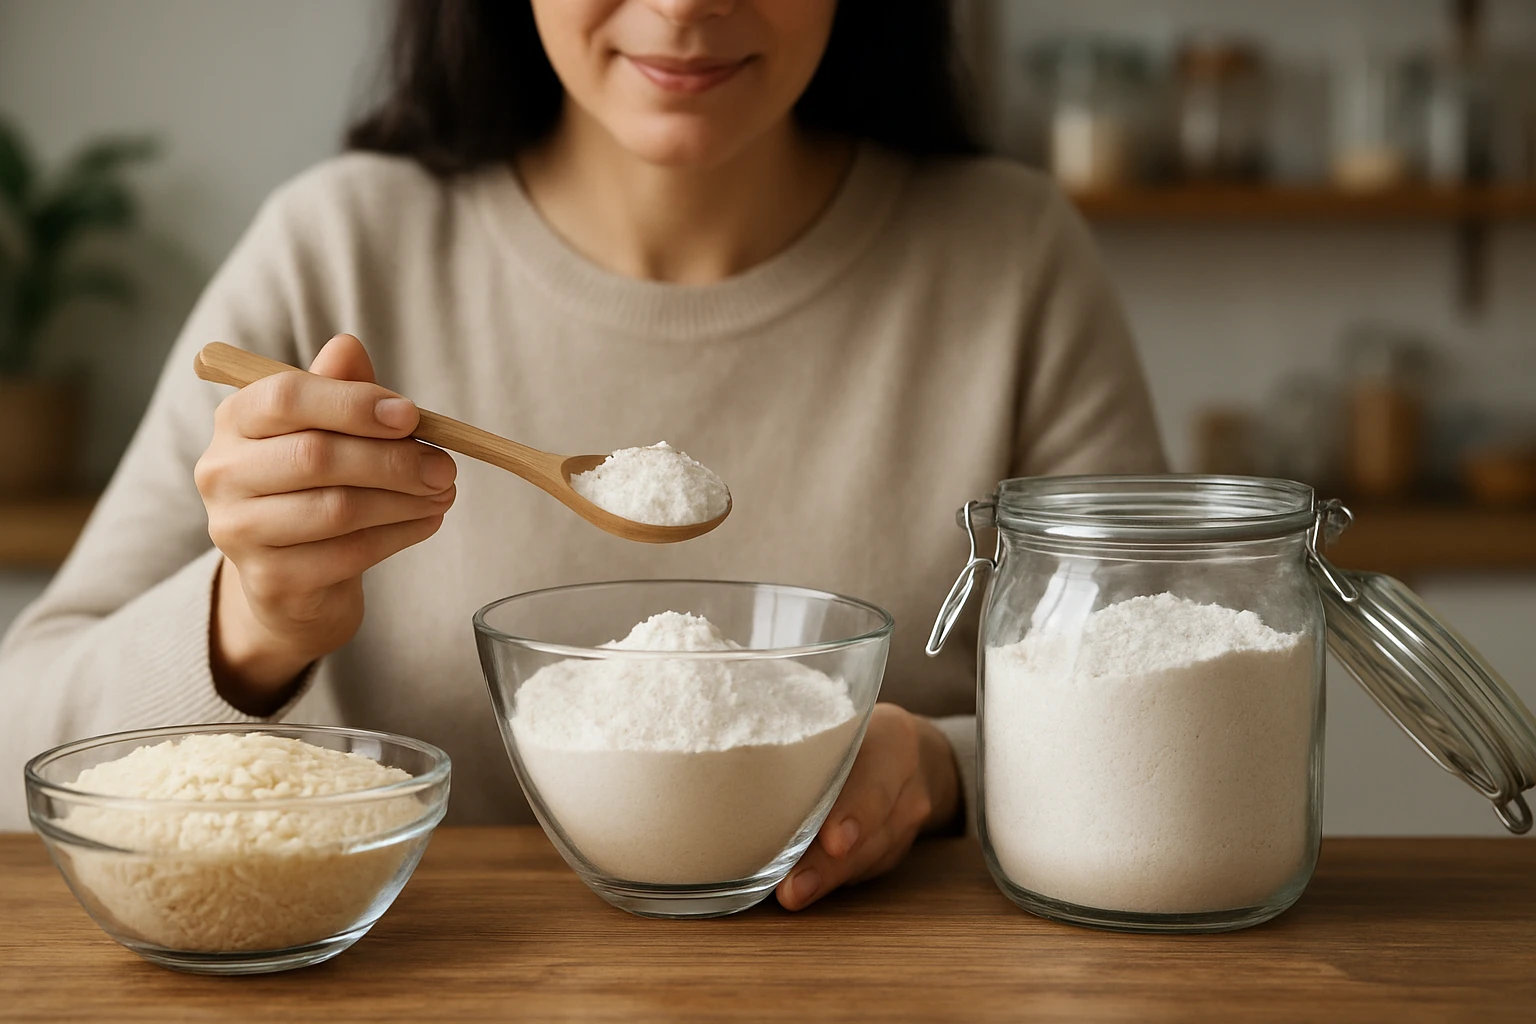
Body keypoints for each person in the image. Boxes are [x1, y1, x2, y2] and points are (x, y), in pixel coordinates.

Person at [0, 0, 1163, 910]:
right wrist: (248, 626)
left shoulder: (1013, 263)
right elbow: (23, 739)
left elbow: (1173, 720)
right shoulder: (338, 248)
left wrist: (941, 765)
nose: (684, 6)